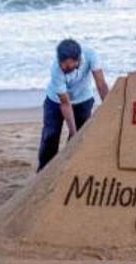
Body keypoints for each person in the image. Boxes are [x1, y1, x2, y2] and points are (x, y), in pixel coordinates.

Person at [38, 38, 109, 171]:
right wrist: (73, 131)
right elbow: (65, 103)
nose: (64, 68)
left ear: (78, 61)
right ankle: (43, 171)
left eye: (68, 66)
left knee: (78, 137)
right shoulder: (56, 69)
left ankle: (69, 168)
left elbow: (101, 84)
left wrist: (110, 108)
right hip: (55, 101)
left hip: (83, 99)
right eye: (62, 64)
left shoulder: (91, 55)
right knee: (50, 136)